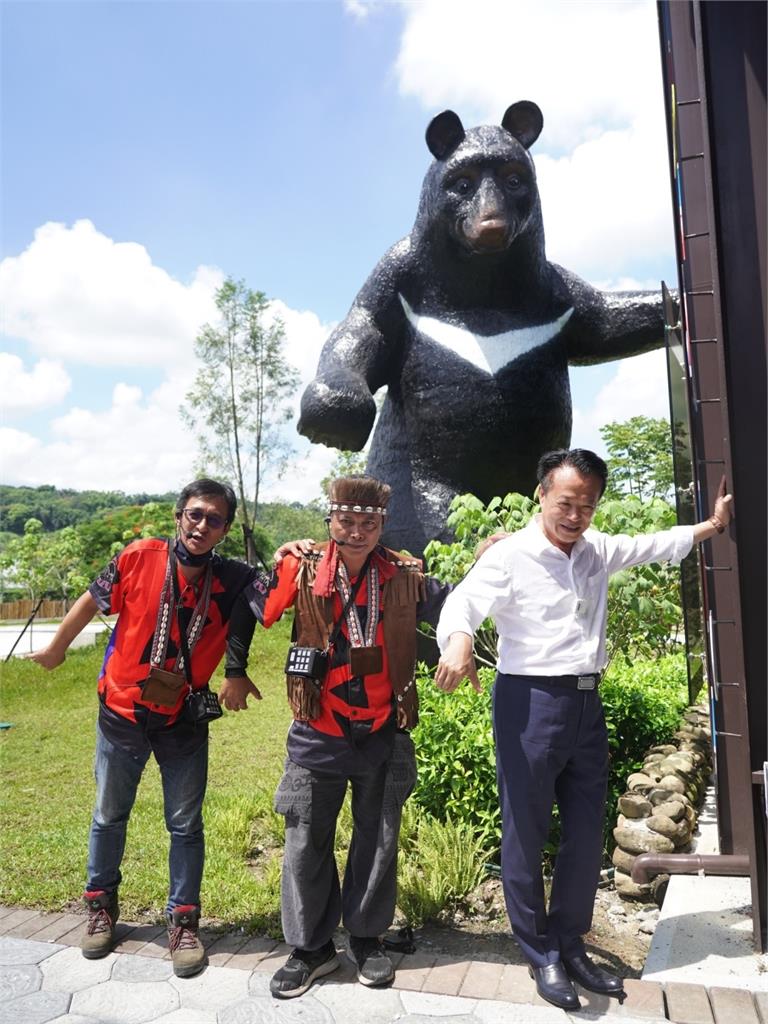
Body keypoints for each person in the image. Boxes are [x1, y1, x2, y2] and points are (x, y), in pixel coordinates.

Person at [434, 449, 733, 1011]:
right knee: (526, 830)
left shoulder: (597, 550)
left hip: (585, 705)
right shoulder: (510, 555)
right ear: (542, 495)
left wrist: (713, 526)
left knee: (585, 828)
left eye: (587, 506)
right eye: (566, 502)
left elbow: (655, 543)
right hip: (528, 703)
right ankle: (539, 950)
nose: (576, 515)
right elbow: (462, 604)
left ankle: (571, 942)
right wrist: (459, 640)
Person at [222, 475, 449, 999]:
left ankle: (367, 939)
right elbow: (250, 606)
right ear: (330, 521)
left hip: (382, 730)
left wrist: (495, 563)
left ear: (381, 525)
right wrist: (235, 668)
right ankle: (311, 949)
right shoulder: (298, 568)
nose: (356, 531)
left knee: (378, 839)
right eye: (346, 521)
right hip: (316, 732)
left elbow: (454, 604)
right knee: (305, 841)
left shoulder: (404, 573)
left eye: (368, 522)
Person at [29, 479, 262, 978]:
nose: (202, 525)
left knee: (184, 824)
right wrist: (57, 646)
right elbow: (92, 601)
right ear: (179, 515)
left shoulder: (234, 578)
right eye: (196, 514)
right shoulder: (139, 557)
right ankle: (100, 909)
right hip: (122, 714)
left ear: (224, 528)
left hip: (182, 721)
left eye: (215, 519)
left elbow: (277, 596)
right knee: (109, 815)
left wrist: (293, 552)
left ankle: (183, 921)